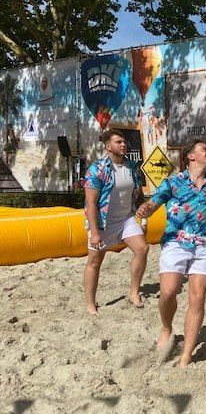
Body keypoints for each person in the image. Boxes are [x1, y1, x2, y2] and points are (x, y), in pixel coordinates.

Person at [136, 139, 206, 368]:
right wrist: (145, 209)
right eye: (204, 149)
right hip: (175, 241)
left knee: (198, 297)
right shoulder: (173, 182)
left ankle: (186, 357)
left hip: (204, 244)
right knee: (168, 292)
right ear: (191, 156)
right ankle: (167, 328)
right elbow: (153, 204)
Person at [82, 129, 149, 315]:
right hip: (102, 222)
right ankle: (90, 304)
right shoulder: (97, 169)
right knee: (95, 261)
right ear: (108, 146)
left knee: (142, 249)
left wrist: (143, 218)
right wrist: (95, 233)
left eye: (124, 142)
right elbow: (91, 203)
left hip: (126, 219)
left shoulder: (132, 166)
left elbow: (138, 195)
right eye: (118, 142)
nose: (123, 144)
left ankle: (134, 292)